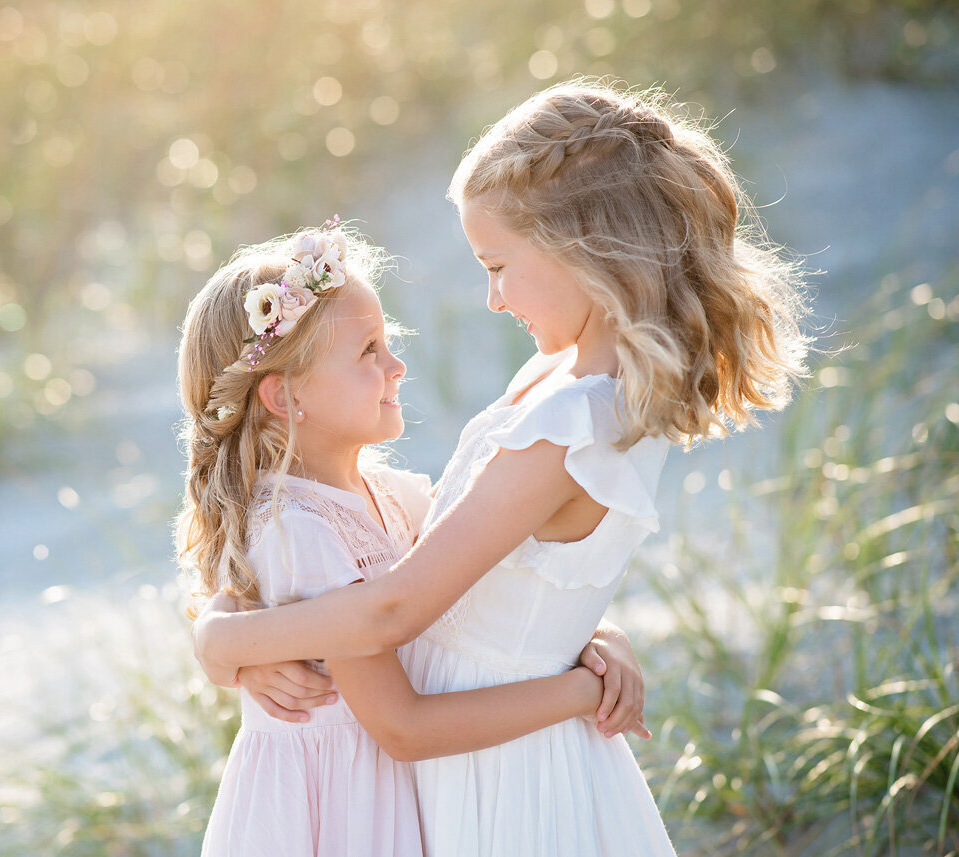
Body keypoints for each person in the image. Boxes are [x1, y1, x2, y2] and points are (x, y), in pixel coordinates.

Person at [192, 81, 812, 856]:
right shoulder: (557, 384)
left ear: (579, 248)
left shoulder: (572, 423)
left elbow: (397, 609)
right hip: (473, 762)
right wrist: (228, 632)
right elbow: (507, 574)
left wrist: (224, 644)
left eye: (498, 264)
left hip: (505, 779)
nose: (491, 298)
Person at [176, 218, 649, 857]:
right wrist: (579, 689)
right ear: (285, 397)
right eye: (368, 351)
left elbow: (481, 595)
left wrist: (592, 636)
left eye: (387, 341)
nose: (397, 365)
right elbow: (402, 723)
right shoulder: (298, 531)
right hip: (337, 814)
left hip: (402, 796)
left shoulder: (399, 497)